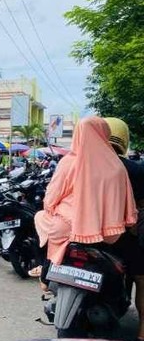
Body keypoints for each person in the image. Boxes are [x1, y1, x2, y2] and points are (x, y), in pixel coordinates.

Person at [34, 116, 136, 275]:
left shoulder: (70, 162)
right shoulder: (117, 166)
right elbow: (127, 204)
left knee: (40, 216)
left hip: (68, 229)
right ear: (105, 133)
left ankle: (45, 273)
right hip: (110, 234)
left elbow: (52, 197)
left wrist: (50, 209)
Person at [105, 117, 144, 341]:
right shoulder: (134, 170)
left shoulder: (81, 165)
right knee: (141, 277)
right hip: (123, 238)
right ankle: (142, 331)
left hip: (85, 236)